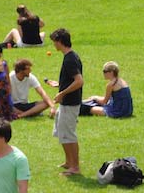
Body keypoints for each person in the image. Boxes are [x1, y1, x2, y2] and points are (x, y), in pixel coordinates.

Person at [50, 28, 82, 177]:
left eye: (54, 42)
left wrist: (62, 93)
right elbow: (72, 80)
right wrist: (59, 85)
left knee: (69, 134)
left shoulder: (70, 59)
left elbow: (79, 81)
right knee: (61, 131)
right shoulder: (70, 56)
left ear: (60, 41)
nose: (53, 45)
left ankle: (75, 167)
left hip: (70, 103)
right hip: (67, 102)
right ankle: (69, 161)